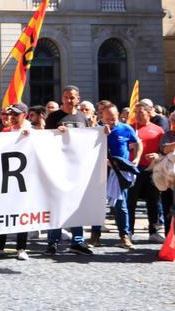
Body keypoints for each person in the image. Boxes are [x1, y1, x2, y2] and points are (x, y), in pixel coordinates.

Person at [44, 85, 94, 255]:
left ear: (77, 98)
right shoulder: (54, 117)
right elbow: (45, 139)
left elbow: (88, 140)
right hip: (59, 166)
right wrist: (56, 133)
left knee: (77, 205)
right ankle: (53, 241)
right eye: (66, 97)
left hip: (77, 168)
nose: (69, 100)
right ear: (62, 98)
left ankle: (77, 241)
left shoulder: (82, 117)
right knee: (57, 204)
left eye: (72, 97)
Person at [87, 101, 140, 249]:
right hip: (100, 171)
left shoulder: (126, 128)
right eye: (108, 118)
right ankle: (95, 236)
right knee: (97, 204)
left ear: (118, 115)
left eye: (114, 117)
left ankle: (124, 236)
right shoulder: (97, 130)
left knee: (121, 205)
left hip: (119, 172)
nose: (112, 120)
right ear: (102, 117)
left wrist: (136, 157)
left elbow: (137, 143)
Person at [0, 103, 31, 261]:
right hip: (5, 178)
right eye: (10, 114)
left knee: (21, 213)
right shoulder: (5, 132)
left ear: (24, 115)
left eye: (16, 115)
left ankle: (21, 248)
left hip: (23, 179)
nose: (11, 118)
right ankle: (0, 246)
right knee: (2, 212)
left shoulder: (32, 132)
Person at [127, 102, 166, 244]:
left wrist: (157, 155)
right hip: (134, 169)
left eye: (141, 112)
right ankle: (128, 231)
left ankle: (154, 231)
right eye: (135, 112)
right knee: (131, 201)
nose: (137, 115)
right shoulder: (130, 128)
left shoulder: (158, 130)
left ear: (149, 113)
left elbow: (163, 150)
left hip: (152, 169)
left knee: (154, 202)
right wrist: (130, 147)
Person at [158, 111, 175, 236]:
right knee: (168, 208)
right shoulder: (168, 135)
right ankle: (168, 238)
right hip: (168, 178)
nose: (173, 123)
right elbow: (165, 148)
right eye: (172, 120)